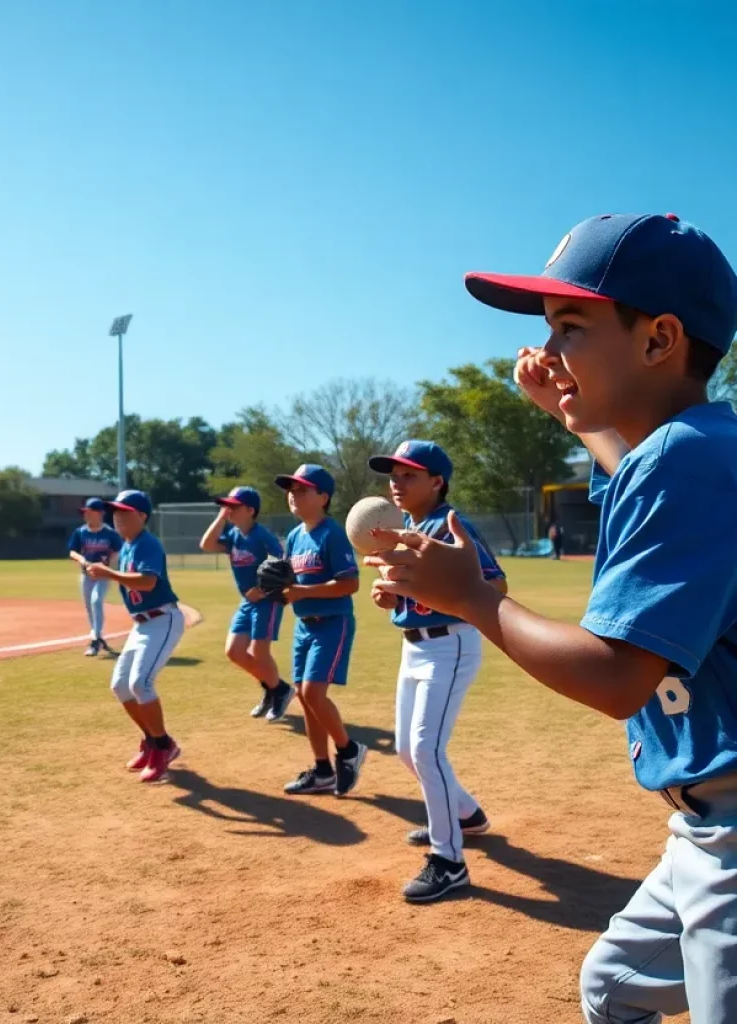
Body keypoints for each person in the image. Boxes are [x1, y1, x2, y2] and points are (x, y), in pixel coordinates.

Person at [369, 213, 737, 1022]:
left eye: (571, 325)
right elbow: (633, 460)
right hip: (706, 827)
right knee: (612, 987)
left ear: (658, 339)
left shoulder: (686, 454)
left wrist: (474, 596)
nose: (550, 349)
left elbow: (616, 678)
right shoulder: (694, 443)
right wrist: (570, 413)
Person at [365, 441, 508, 902]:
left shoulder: (449, 525)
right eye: (394, 475)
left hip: (450, 644)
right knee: (408, 751)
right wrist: (392, 595)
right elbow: (415, 592)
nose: (396, 483)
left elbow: (496, 582)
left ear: (437, 481)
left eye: (409, 474)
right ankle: (467, 815)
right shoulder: (409, 527)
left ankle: (449, 861)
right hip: (414, 647)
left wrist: (447, 589)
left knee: (427, 751)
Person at [274, 463, 367, 797]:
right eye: (291, 490)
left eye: (302, 489)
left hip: (332, 622)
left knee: (313, 692)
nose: (293, 495)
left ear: (323, 496)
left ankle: (348, 750)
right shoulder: (296, 536)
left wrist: (303, 592)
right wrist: (281, 591)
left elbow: (350, 583)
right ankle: (323, 770)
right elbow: (292, 583)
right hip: (303, 624)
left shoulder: (332, 533)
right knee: (303, 695)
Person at [84, 490, 184, 784]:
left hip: (162, 619)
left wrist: (108, 574)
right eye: (115, 512)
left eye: (126, 512)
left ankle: (163, 747)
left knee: (141, 683)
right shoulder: (127, 546)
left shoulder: (146, 544)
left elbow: (149, 581)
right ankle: (153, 741)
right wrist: (106, 571)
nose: (119, 517)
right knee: (120, 686)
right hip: (141, 625)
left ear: (142, 516)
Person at [199, 486, 294, 721]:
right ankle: (277, 688)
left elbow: (284, 566)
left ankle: (276, 692)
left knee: (258, 652)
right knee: (234, 651)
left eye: (234, 506)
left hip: (267, 601)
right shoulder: (233, 535)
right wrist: (221, 517)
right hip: (247, 602)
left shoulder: (262, 536)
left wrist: (263, 589)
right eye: (226, 506)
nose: (228, 510)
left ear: (250, 510)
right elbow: (207, 544)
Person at [68, 498, 124, 657]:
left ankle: (95, 640)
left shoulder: (110, 533)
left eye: (90, 512)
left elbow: (117, 552)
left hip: (103, 575)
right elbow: (73, 551)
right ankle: (98, 637)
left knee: (96, 600)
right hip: (86, 575)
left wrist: (108, 567)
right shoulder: (81, 532)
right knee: (89, 607)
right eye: (86, 512)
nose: (87, 515)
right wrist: (83, 560)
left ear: (100, 514)